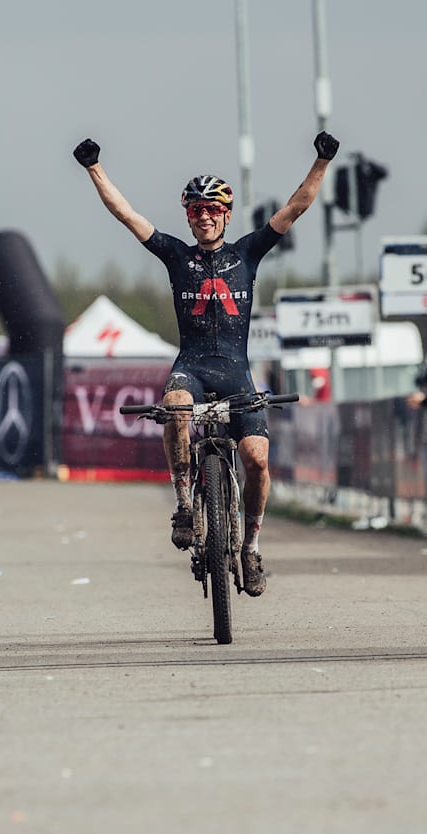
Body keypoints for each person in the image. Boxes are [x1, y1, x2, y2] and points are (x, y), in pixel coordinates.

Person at [73, 131, 340, 596]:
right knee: (174, 404)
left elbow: (295, 208)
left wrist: (321, 161)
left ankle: (251, 547)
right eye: (196, 211)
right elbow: (127, 215)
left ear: (227, 215)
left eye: (213, 210)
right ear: (188, 217)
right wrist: (95, 168)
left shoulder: (247, 253)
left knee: (256, 460)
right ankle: (182, 504)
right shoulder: (177, 255)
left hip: (236, 372)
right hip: (192, 367)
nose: (204, 218)